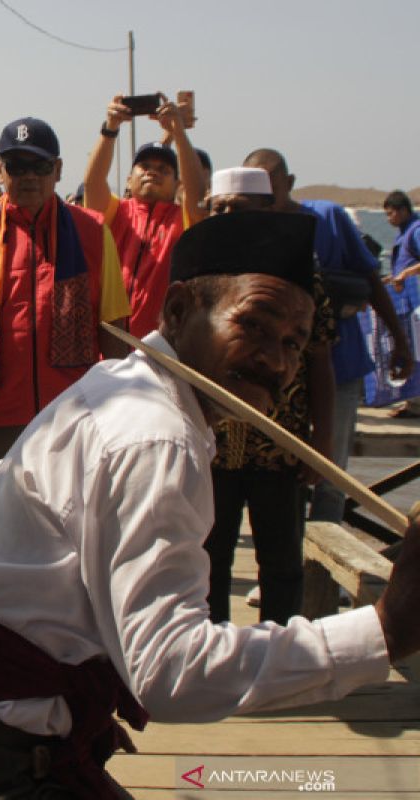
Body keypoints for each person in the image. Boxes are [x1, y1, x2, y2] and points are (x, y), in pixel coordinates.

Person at [0, 211, 420, 799]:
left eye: (293, 343)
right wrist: (384, 631)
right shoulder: (158, 436)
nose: (277, 361)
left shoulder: (115, 383)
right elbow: (170, 673)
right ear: (179, 310)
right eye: (255, 325)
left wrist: (84, 670)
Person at [0, 117, 131, 479]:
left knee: (70, 531)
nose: (29, 176)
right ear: (0, 170)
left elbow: (113, 328)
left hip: (73, 416)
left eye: (39, 166)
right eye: (17, 166)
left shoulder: (94, 232)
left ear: (58, 170)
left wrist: (119, 406)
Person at [243, 149, 413, 522]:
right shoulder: (246, 230)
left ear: (288, 183)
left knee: (330, 475)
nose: (267, 196)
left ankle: (320, 566)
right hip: (277, 379)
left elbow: (371, 278)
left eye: (273, 185)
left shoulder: (328, 218)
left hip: (339, 363)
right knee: (277, 476)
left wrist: (399, 339)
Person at [201, 167, 336, 625]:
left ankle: (279, 659)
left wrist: (323, 441)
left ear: (264, 210)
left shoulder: (301, 279)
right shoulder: (206, 276)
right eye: (216, 208)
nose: (224, 217)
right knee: (208, 559)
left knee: (280, 562)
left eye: (235, 209)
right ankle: (214, 655)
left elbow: (320, 363)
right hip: (213, 446)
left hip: (279, 445)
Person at [84, 93, 207, 338]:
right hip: (108, 346)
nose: (153, 172)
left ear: (177, 184)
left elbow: (198, 192)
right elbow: (93, 182)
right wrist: (110, 129)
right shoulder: (116, 212)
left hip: (162, 350)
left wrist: (179, 132)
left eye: (164, 169)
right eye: (145, 167)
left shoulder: (183, 219)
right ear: (129, 179)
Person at [381, 191, 420, 418]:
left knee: (415, 353)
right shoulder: (405, 233)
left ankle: (414, 404)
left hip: (415, 305)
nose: (388, 219)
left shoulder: (415, 232)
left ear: (403, 210)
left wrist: (406, 273)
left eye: (391, 214)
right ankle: (410, 402)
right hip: (406, 304)